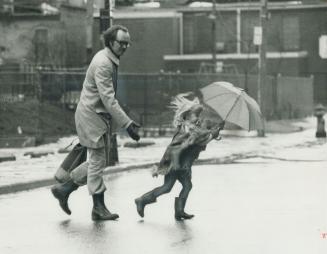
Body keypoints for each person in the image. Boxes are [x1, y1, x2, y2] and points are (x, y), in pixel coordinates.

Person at [51, 25, 140, 221]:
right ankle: (97, 208)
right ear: (110, 42)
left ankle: (64, 190)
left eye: (127, 43)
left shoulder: (108, 58)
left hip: (95, 115)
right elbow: (108, 99)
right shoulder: (103, 63)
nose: (125, 47)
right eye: (121, 43)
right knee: (98, 161)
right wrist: (128, 124)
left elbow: (107, 99)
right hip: (92, 116)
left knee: (99, 162)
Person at [134, 94, 224, 220]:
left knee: (186, 186)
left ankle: (179, 211)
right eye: (195, 115)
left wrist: (214, 133)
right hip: (175, 164)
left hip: (183, 164)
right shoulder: (186, 130)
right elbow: (176, 148)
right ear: (186, 115)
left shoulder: (192, 128)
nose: (198, 118)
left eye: (198, 116)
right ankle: (142, 200)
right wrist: (211, 135)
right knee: (167, 187)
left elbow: (199, 140)